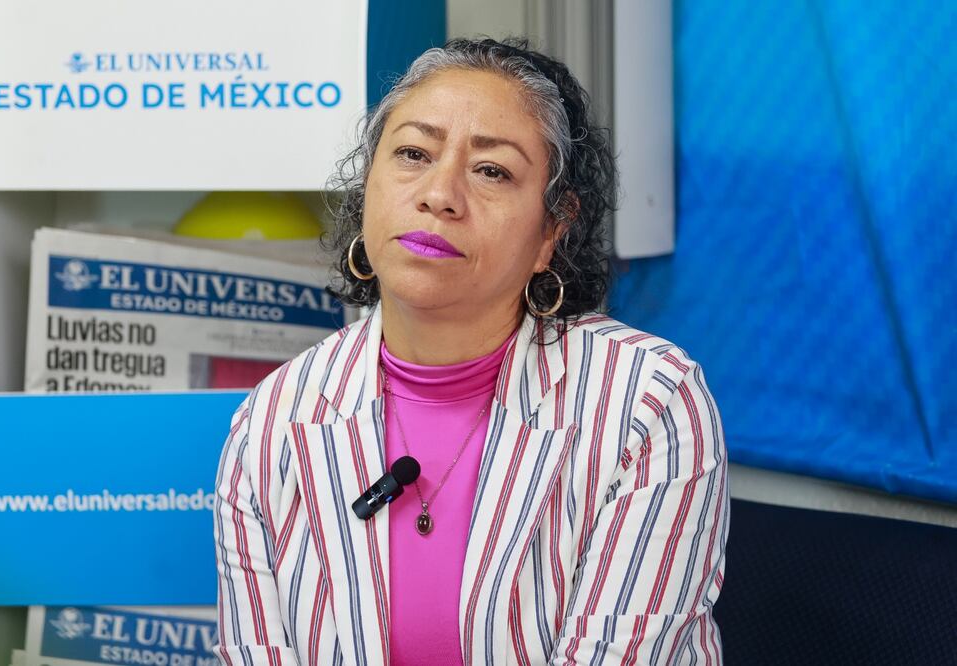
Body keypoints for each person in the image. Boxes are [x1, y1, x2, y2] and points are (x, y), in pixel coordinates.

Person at [213, 37, 728, 665]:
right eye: (411, 153)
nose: (439, 195)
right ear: (366, 188)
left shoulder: (647, 403)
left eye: (492, 170)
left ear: (551, 231)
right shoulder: (271, 423)